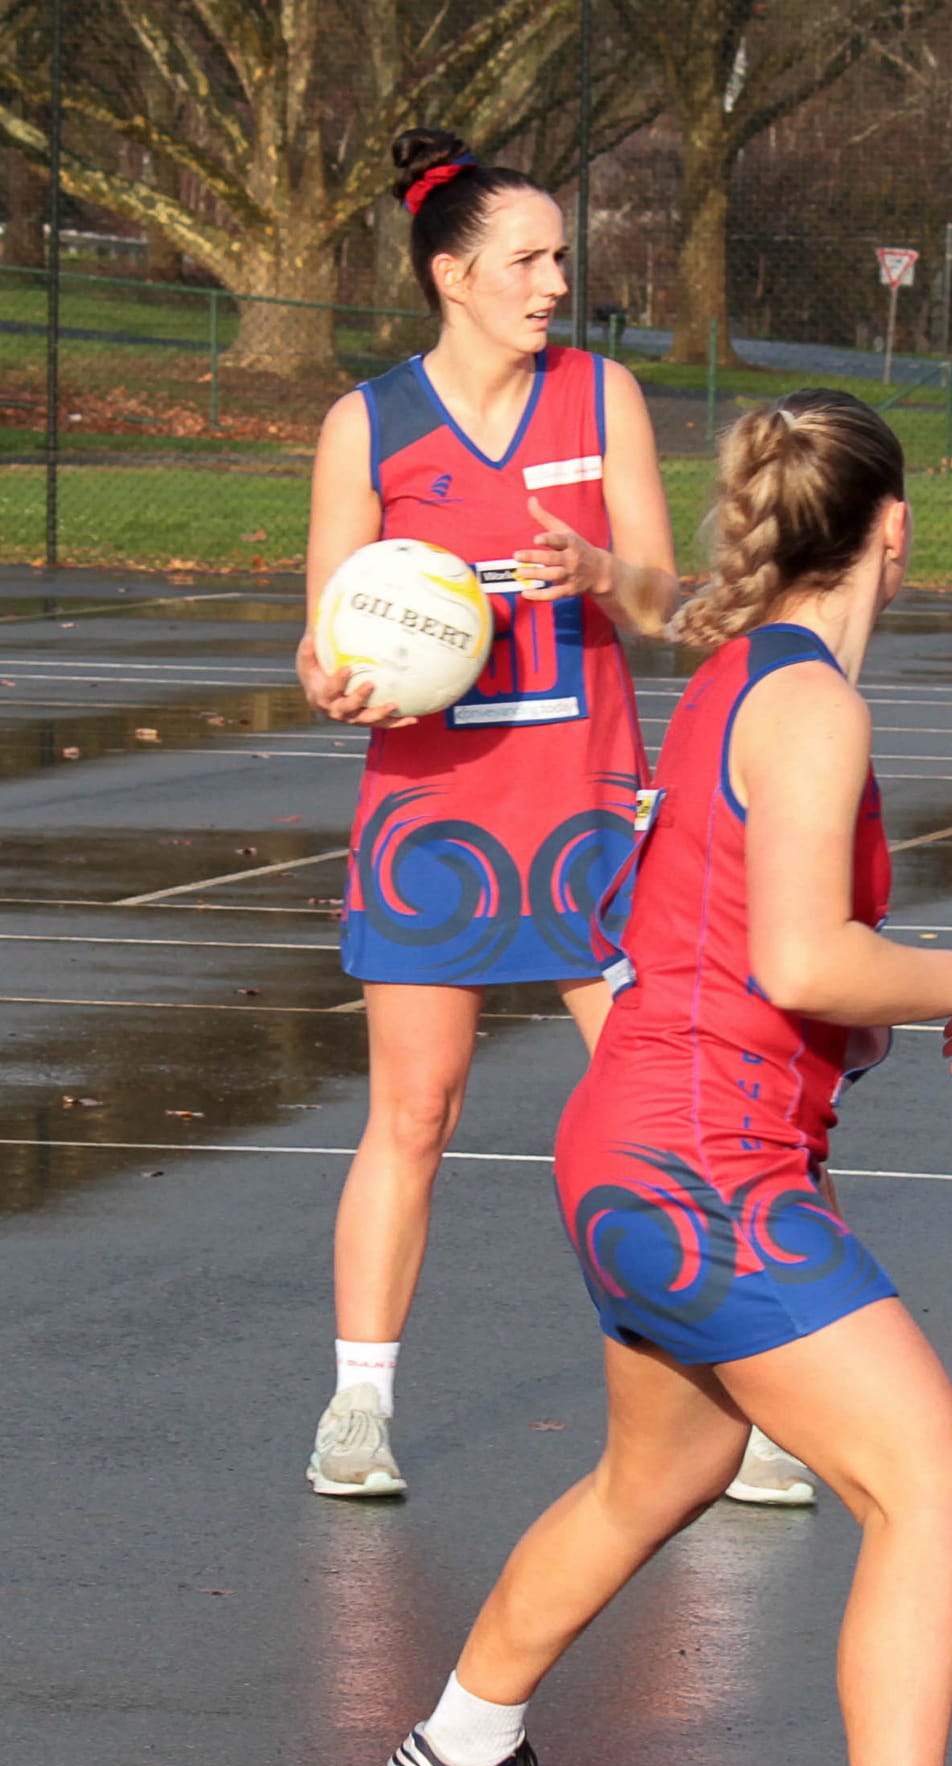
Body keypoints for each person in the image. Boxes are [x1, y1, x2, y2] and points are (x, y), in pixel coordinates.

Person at [364, 390, 952, 1766]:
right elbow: (800, 956)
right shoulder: (810, 705)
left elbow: (724, 937)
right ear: (897, 531)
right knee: (937, 1486)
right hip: (705, 1163)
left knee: (667, 1468)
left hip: (638, 1142)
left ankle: (459, 1745)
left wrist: (848, 1015)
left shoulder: (733, 673)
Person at [296, 128, 810, 1511]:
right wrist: (335, 681)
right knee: (413, 1111)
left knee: (669, 1116)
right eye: (527, 259)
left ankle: (753, 1404)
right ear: (453, 274)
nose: (552, 282)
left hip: (590, 811)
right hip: (432, 817)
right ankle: (359, 1405)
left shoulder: (601, 397)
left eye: (559, 258)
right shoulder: (370, 424)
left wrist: (595, 568)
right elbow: (320, 639)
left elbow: (670, 602)